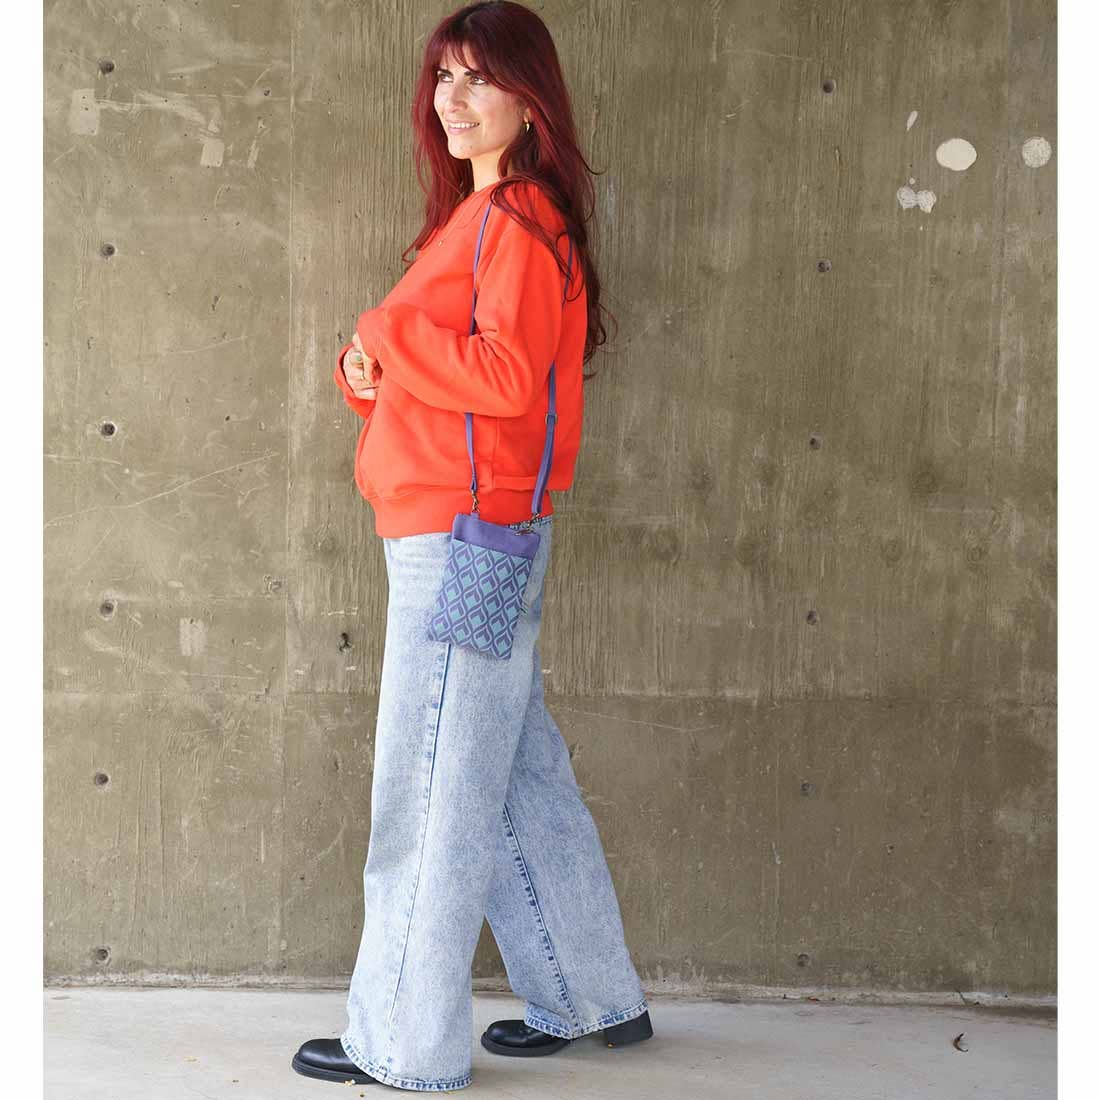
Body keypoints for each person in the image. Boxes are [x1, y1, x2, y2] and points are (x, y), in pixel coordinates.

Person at [292, 2, 652, 1090]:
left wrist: (383, 330)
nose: (453, 98)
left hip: (461, 539)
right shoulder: (487, 218)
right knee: (507, 770)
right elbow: (475, 382)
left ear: (529, 101)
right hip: (474, 529)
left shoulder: (514, 221)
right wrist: (373, 372)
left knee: (432, 790)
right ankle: (589, 993)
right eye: (442, 77)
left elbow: (500, 378)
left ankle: (403, 1044)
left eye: (478, 78)